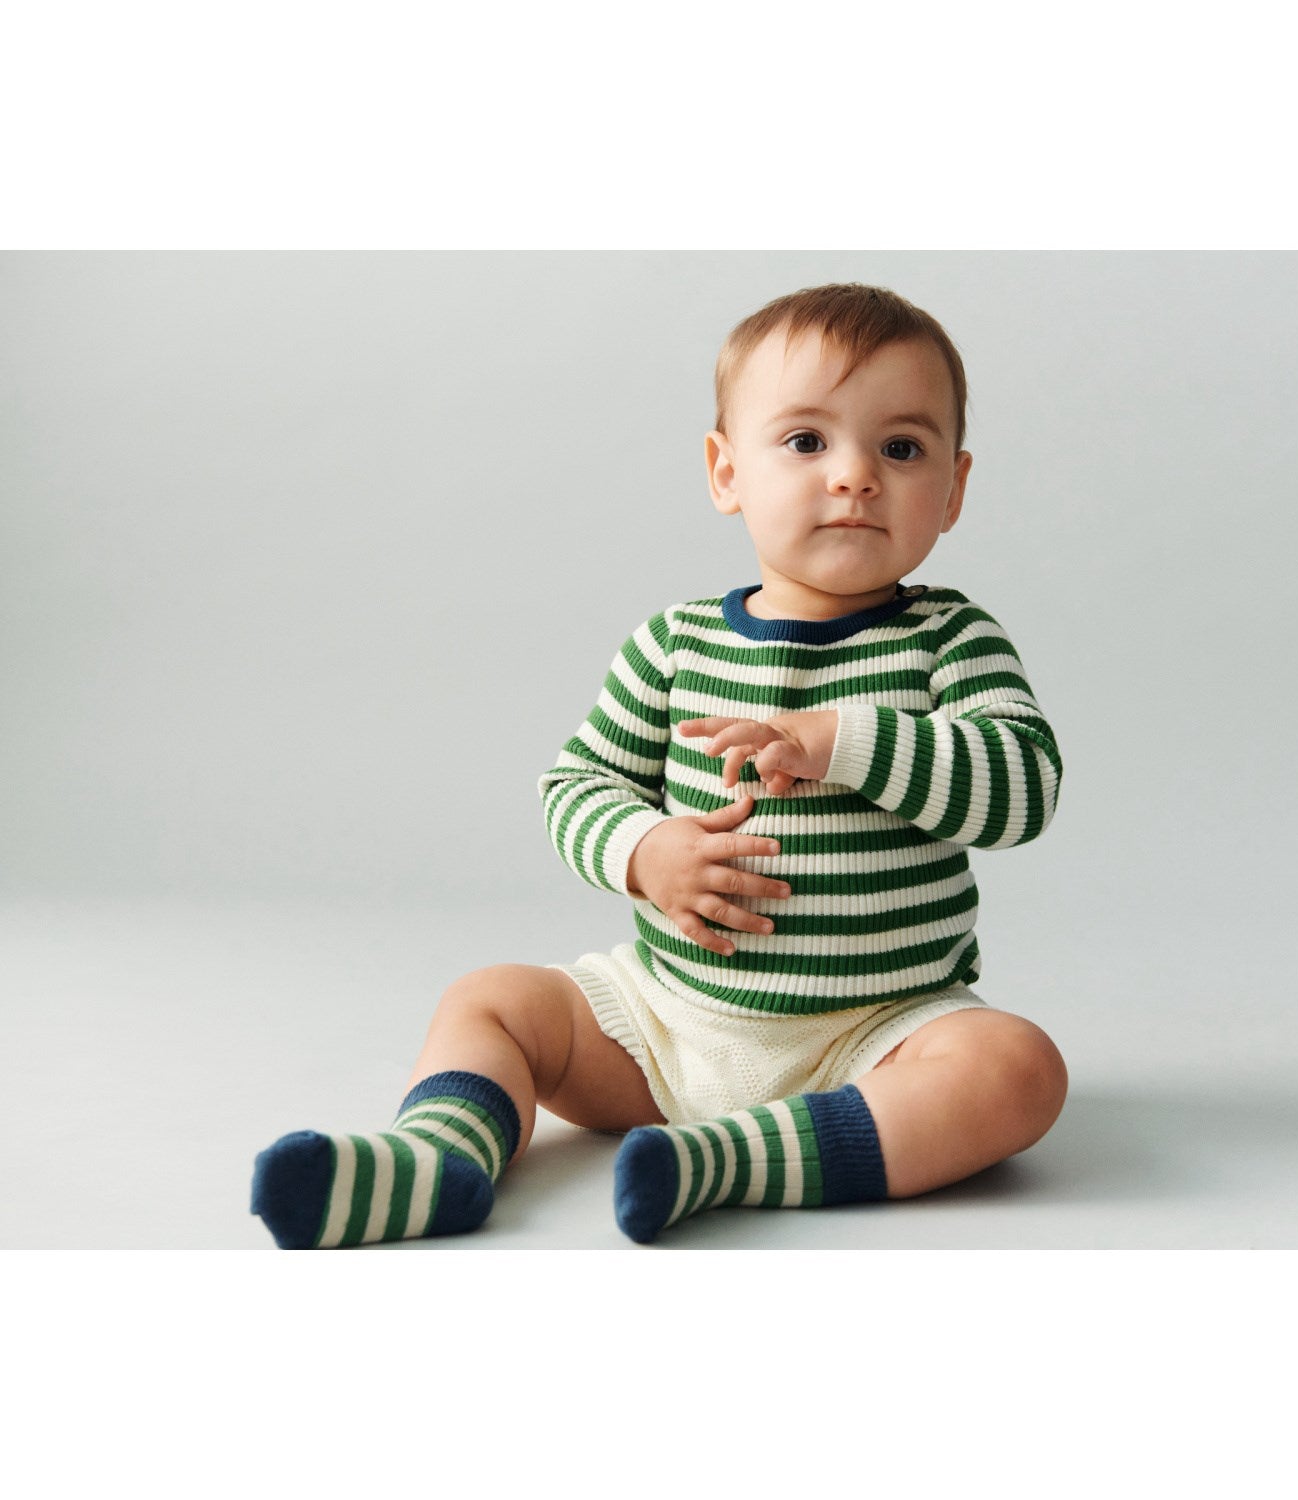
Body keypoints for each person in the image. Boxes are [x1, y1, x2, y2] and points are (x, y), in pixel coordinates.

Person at [251, 282, 1068, 1248]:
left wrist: (842, 740)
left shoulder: (951, 641)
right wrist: (644, 851)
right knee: (491, 1000)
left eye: (901, 448)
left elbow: (1022, 786)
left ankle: (725, 1160)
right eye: (807, 441)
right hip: (664, 1024)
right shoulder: (674, 647)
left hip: (876, 1036)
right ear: (727, 471)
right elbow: (575, 788)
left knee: (1016, 1069)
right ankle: (441, 1156)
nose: (854, 476)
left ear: (955, 488)